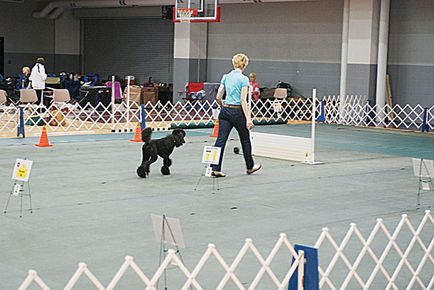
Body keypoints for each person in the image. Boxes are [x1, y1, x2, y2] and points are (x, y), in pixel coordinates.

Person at [211, 53, 262, 177]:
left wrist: (222, 105)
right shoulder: (244, 79)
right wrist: (249, 119)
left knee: (220, 140)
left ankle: (215, 168)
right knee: (245, 140)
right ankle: (250, 167)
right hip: (238, 111)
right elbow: (243, 100)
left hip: (225, 111)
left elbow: (218, 96)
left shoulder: (225, 77)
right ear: (244, 65)